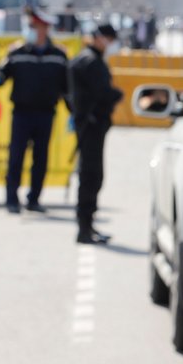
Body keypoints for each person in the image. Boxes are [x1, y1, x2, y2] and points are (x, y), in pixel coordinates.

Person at [0, 6, 69, 214]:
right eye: (30, 26)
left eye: (34, 26)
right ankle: (12, 199)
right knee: (16, 158)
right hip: (22, 113)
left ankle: (34, 199)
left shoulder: (58, 55)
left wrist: (74, 111)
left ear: (44, 28)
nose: (30, 29)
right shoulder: (17, 51)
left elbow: (67, 87)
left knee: (40, 159)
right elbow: (3, 71)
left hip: (46, 113)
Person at [68, 23, 124, 244]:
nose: (111, 44)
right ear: (100, 38)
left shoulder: (86, 59)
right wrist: (117, 94)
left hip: (89, 124)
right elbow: (103, 93)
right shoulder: (91, 62)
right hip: (92, 125)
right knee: (91, 177)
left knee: (91, 176)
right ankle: (84, 229)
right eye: (109, 39)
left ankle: (87, 226)